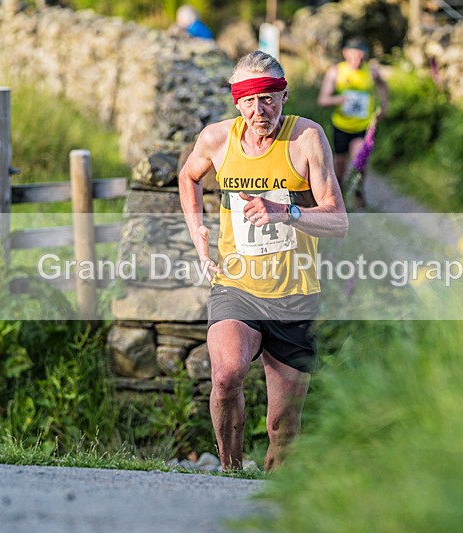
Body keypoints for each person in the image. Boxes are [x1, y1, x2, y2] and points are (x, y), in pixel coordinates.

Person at [179, 51, 348, 471]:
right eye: (250, 99)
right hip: (237, 286)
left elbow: (339, 220)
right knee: (225, 374)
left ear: (285, 95)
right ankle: (230, 471)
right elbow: (188, 176)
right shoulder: (217, 140)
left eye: (269, 97)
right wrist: (197, 231)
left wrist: (285, 212)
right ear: (237, 102)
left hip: (295, 294)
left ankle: (270, 496)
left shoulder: (307, 138)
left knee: (282, 426)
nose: (260, 109)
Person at [317, 37, 389, 207]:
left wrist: (385, 104)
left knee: (360, 160)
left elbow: (383, 85)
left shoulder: (371, 72)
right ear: (345, 54)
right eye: (353, 55)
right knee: (340, 165)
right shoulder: (335, 72)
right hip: (341, 126)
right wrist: (339, 99)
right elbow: (323, 99)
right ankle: (338, 196)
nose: (357, 60)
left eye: (360, 56)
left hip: (363, 126)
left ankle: (358, 191)